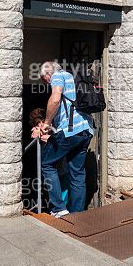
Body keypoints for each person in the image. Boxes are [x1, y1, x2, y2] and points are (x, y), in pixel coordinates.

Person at [33, 61, 93, 218]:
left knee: (47, 163)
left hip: (70, 131)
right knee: (77, 173)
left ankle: (58, 207)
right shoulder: (72, 77)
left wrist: (45, 123)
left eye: (43, 79)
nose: (45, 82)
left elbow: (55, 99)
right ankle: (77, 213)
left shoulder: (57, 76)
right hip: (85, 130)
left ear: (48, 74)